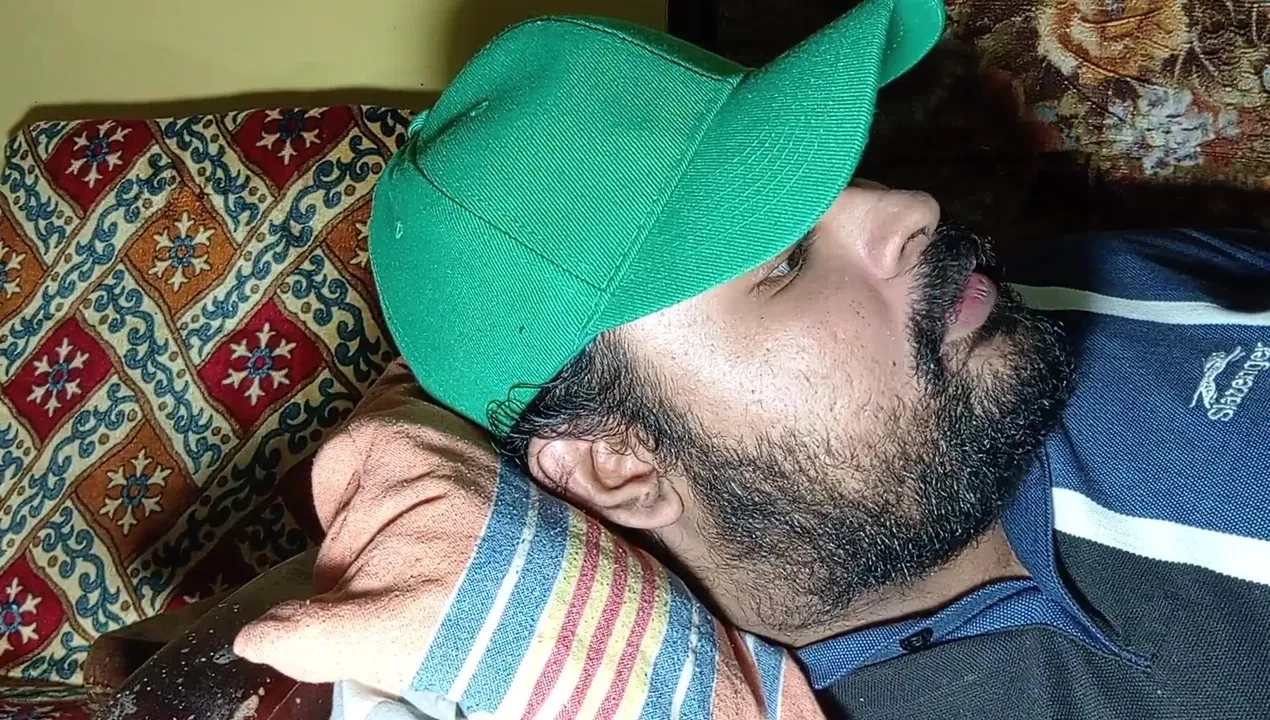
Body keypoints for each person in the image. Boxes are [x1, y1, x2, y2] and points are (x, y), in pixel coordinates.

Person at [247, 0, 1270, 716]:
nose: (911, 207)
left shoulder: (1071, 290)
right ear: (616, 462)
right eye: (783, 259)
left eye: (841, 177)